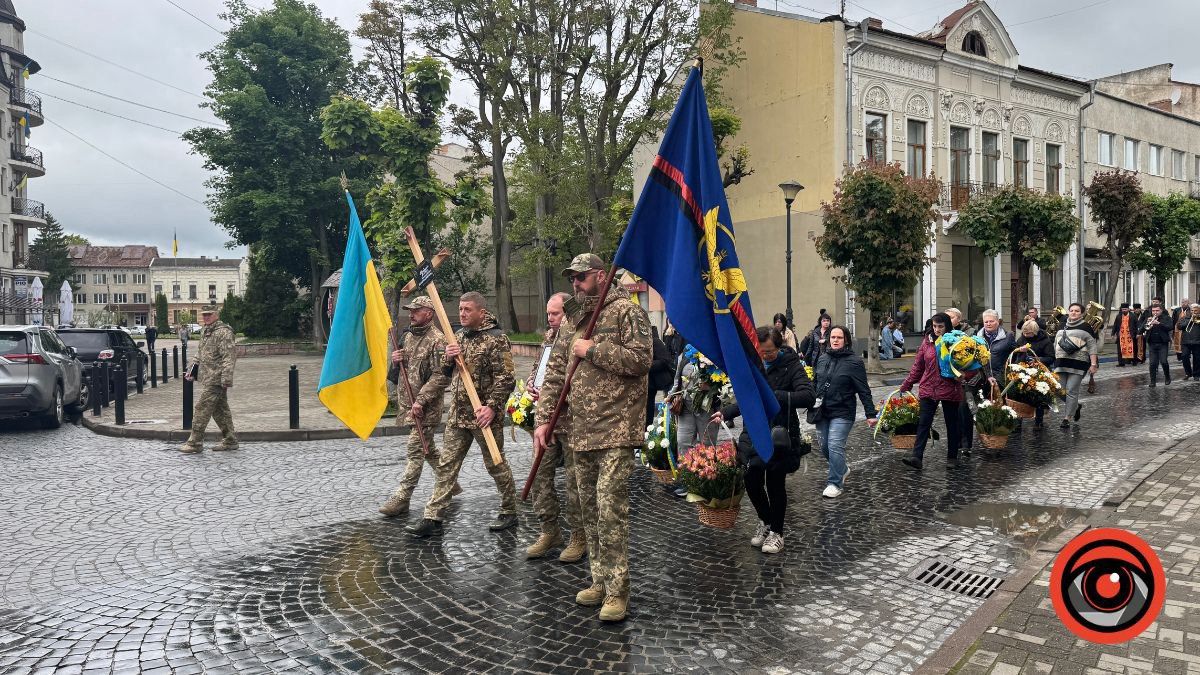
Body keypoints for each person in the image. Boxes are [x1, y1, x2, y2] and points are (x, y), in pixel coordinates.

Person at [534, 253, 651, 623]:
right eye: (572, 278)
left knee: (609, 508)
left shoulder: (626, 312)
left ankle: (618, 590)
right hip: (579, 430)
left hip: (616, 427)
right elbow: (555, 373)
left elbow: (642, 360)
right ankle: (599, 580)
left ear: (601, 276)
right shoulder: (572, 319)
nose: (575, 283)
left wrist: (593, 350)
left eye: (581, 277)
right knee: (588, 509)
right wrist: (543, 420)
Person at [406, 292, 519, 538]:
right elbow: (444, 373)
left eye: (468, 309)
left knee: (496, 464)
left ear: (481, 312)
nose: (462, 313)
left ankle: (509, 510)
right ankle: (433, 517)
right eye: (460, 309)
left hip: (483, 416)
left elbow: (506, 378)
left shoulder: (496, 339)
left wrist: (492, 407)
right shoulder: (457, 336)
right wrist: (448, 358)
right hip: (458, 415)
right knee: (446, 465)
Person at [711, 327, 815, 554]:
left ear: (779, 347)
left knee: (775, 482)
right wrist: (726, 412)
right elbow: (749, 398)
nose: (765, 356)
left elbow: (808, 396)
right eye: (761, 351)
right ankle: (765, 521)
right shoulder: (753, 365)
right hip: (754, 431)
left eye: (769, 352)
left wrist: (774, 396)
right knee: (751, 478)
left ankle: (777, 532)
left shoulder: (791, 365)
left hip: (779, 433)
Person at [524, 292, 586, 562]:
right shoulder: (549, 339)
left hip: (572, 421)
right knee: (540, 475)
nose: (550, 318)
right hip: (547, 420)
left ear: (567, 312)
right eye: (548, 313)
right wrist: (531, 383)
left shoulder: (579, 336)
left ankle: (579, 535)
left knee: (574, 483)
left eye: (556, 313)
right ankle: (549, 530)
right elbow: (540, 369)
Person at [378, 296, 452, 517]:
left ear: (429, 313)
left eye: (416, 310)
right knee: (428, 450)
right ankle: (450, 482)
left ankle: (402, 497)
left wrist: (421, 400)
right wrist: (396, 360)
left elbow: (441, 376)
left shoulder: (438, 340)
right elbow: (401, 371)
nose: (411, 314)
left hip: (425, 408)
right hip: (408, 405)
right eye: (410, 310)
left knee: (415, 450)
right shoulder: (408, 336)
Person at [810, 325, 877, 498]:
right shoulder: (822, 358)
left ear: (846, 340)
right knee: (824, 447)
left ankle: (835, 483)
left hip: (843, 411)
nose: (835, 340)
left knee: (834, 445)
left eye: (839, 337)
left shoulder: (854, 362)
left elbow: (863, 389)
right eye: (833, 337)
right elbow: (815, 383)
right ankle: (842, 469)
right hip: (822, 411)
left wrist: (870, 414)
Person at [898, 312, 963, 471]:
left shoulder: (956, 341)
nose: (937, 329)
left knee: (952, 424)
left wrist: (963, 375)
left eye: (940, 326)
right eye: (934, 326)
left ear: (947, 326)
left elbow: (966, 363)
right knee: (923, 423)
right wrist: (907, 383)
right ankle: (917, 457)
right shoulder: (927, 341)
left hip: (949, 388)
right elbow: (918, 366)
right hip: (929, 387)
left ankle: (952, 457)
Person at [179, 305, 238, 453]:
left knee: (202, 408)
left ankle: (195, 442)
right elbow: (200, 353)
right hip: (207, 376)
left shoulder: (224, 332)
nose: (206, 317)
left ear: (216, 315)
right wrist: (192, 370)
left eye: (209, 314)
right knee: (220, 410)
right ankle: (230, 440)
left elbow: (229, 357)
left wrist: (226, 379)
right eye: (204, 315)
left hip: (217, 378)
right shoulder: (205, 330)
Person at [1054, 303, 1099, 428]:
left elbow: (1092, 347)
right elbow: (1056, 343)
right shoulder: (1061, 325)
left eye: (1077, 311)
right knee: (1058, 390)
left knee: (1071, 391)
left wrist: (1093, 364)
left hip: (1078, 363)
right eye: (1071, 310)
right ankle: (1076, 406)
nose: (1073, 312)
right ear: (1068, 312)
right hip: (1061, 363)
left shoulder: (1086, 327)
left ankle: (1067, 418)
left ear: (1082, 313)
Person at [1013, 321, 1054, 426]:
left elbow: (1051, 358)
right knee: (1020, 397)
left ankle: (1039, 421)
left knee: (1038, 396)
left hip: (1038, 372)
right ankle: (1018, 422)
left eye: (1028, 333)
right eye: (1024, 333)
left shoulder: (1045, 341)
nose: (1026, 335)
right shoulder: (1021, 339)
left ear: (1035, 332)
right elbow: (1014, 354)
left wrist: (1038, 360)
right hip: (1022, 370)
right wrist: (1019, 352)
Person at [978, 309, 1015, 392]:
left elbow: (1015, 355)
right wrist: (986, 375)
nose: (988, 324)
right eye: (986, 322)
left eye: (991, 321)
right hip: (983, 379)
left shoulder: (1008, 336)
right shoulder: (977, 337)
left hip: (1002, 379)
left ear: (998, 321)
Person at [647, 325, 675, 426]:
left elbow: (665, 361)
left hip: (655, 383)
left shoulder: (655, 342)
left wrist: (646, 365)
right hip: (647, 383)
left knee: (649, 410)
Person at [1142, 303, 1173, 387]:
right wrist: (1147, 323)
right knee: (1152, 363)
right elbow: (1143, 328)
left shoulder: (1167, 318)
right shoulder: (1149, 318)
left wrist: (1159, 323)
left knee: (1164, 362)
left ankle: (1167, 377)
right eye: (1153, 311)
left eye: (1157, 310)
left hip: (1163, 343)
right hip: (1152, 343)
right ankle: (1153, 381)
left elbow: (1170, 327)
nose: (1155, 312)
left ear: (1161, 311)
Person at [1178, 304, 1200, 381]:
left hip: (1197, 341)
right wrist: (1190, 320)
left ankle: (1196, 374)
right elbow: (1179, 326)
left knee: (1197, 359)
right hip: (1185, 341)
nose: (1193, 312)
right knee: (1184, 357)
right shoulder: (1184, 317)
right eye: (1192, 310)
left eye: (1195, 310)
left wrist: (1197, 319)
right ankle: (1188, 373)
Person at [1172, 298, 1193, 378]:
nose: (1183, 303)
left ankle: (1194, 373)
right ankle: (1179, 356)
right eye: (1182, 302)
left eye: (1185, 302)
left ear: (1188, 303)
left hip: (1187, 332)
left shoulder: (1190, 310)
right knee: (1178, 343)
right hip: (1178, 329)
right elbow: (1173, 320)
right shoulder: (1177, 310)